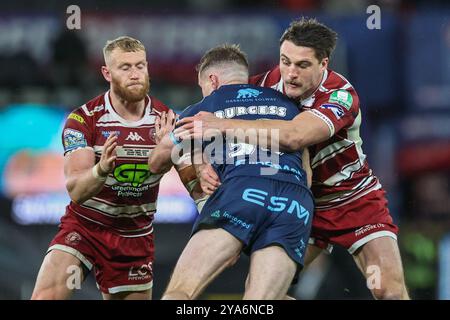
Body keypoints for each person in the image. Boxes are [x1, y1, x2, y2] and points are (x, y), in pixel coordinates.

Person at [176, 18, 410, 300]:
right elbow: (209, 117)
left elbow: (295, 136)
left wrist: (222, 125)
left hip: (353, 199)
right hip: (297, 203)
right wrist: (200, 161)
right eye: (285, 61)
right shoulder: (264, 85)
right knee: (264, 296)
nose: (290, 73)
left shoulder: (340, 95)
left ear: (323, 64)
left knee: (390, 292)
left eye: (302, 65)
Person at [148, 44, 314, 300]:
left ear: (212, 80)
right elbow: (306, 168)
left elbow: (156, 163)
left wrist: (167, 140)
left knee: (180, 292)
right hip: (296, 202)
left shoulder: (205, 107)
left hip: (242, 191)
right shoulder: (289, 105)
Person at [31, 36, 175, 300]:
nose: (135, 74)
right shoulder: (84, 119)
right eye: (125, 67)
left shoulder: (166, 119)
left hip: (135, 235)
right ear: (107, 73)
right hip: (86, 226)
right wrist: (101, 170)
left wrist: (166, 151)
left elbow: (189, 177)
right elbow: (76, 190)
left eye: (140, 66)